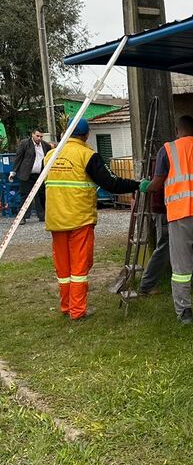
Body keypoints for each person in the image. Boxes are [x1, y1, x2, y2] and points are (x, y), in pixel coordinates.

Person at [44, 118, 140, 321]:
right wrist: (136, 185)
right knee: (79, 267)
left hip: (56, 220)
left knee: (63, 268)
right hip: (79, 219)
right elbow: (111, 183)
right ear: (86, 135)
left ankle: (66, 306)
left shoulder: (50, 156)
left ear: (66, 132)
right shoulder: (87, 155)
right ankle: (77, 310)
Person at [141, 115, 193, 325]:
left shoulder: (168, 150)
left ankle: (185, 313)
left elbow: (158, 181)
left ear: (177, 130)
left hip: (180, 215)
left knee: (181, 268)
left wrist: (146, 186)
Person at [138, 157, 170, 297]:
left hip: (167, 208)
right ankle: (146, 286)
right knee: (164, 247)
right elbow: (157, 185)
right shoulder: (164, 158)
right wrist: (148, 186)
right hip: (164, 209)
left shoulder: (161, 158)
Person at [10, 128, 51, 222]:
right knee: (25, 195)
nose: (39, 138)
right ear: (32, 134)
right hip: (26, 174)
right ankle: (22, 217)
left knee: (41, 195)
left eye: (41, 136)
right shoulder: (24, 143)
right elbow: (18, 158)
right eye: (37, 136)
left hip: (40, 175)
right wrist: (13, 172)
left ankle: (42, 215)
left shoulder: (45, 145)